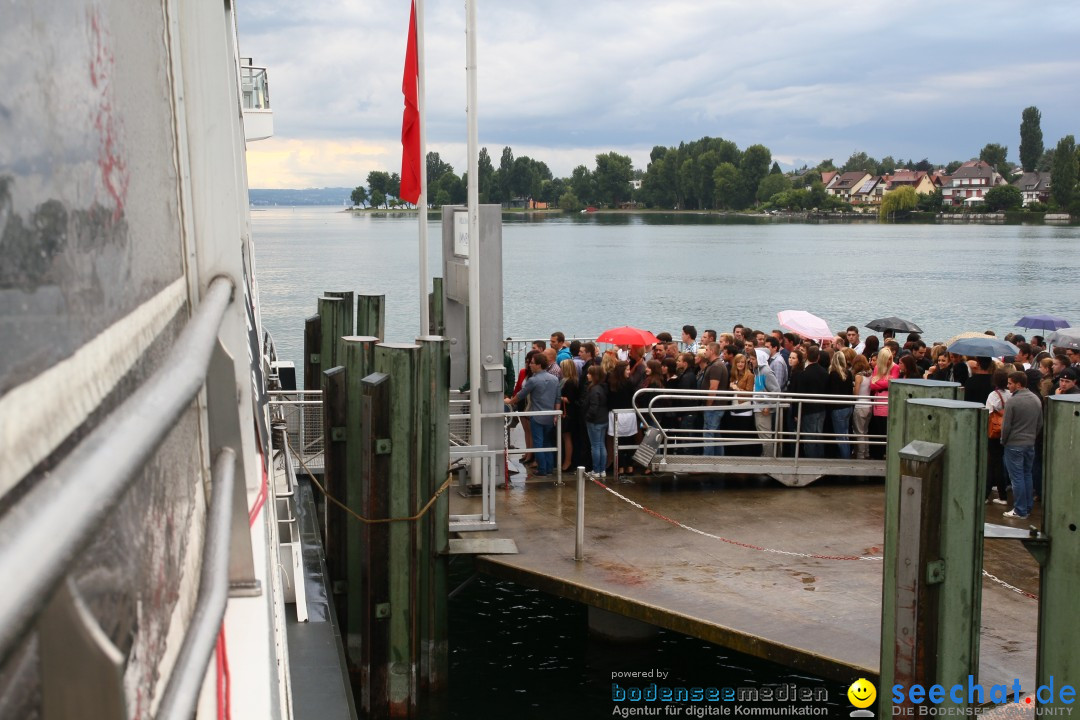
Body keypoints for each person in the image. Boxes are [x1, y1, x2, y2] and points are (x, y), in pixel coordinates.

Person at [506, 353, 560, 477]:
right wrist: (556, 415)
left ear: (539, 365)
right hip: (551, 415)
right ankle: (549, 468)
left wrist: (510, 401)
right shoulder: (554, 379)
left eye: (532, 363)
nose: (530, 365)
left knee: (538, 443)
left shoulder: (534, 380)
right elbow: (557, 399)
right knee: (548, 443)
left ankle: (542, 469)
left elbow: (521, 394)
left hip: (537, 416)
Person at [1001, 371, 1042, 519]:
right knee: (1027, 475)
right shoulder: (1036, 399)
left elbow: (1006, 426)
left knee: (1016, 477)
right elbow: (1040, 424)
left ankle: (1019, 510)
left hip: (1014, 444)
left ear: (1018, 384)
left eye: (1010, 383)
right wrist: (1032, 437)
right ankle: (1027, 507)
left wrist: (1003, 440)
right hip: (1030, 443)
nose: (1008, 386)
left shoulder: (1012, 401)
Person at [797, 345, 829, 458]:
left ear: (807, 356)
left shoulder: (804, 373)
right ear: (818, 357)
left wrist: (796, 412)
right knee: (818, 435)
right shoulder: (825, 373)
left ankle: (811, 460)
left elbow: (799, 393)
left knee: (809, 437)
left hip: (808, 409)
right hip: (821, 408)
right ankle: (820, 458)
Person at [985, 369, 1010, 505]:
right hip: (1005, 431)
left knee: (992, 463)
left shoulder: (993, 395)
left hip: (994, 432)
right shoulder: (1010, 394)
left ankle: (987, 493)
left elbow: (988, 413)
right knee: (999, 462)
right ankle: (1002, 494)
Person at [699, 342, 729, 456]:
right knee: (715, 433)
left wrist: (708, 404)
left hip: (714, 406)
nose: (705, 352)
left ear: (712, 351)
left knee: (708, 433)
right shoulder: (715, 364)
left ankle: (707, 460)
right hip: (716, 405)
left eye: (706, 349)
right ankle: (718, 458)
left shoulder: (716, 366)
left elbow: (713, 387)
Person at [827, 350, 855, 459]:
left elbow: (832, 392)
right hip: (848, 406)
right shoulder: (848, 373)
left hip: (838, 408)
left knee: (840, 437)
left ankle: (845, 459)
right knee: (845, 435)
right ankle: (846, 456)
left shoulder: (833, 374)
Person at [582, 365, 609, 478]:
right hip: (603, 419)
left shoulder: (594, 389)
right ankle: (602, 470)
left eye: (589, 374)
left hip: (595, 421)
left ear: (594, 376)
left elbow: (593, 406)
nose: (587, 375)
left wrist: (588, 417)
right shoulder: (604, 387)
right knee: (601, 445)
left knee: (595, 446)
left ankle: (596, 470)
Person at [868, 348, 894, 460]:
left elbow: (892, 383)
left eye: (890, 359)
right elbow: (872, 385)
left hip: (887, 404)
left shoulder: (895, 367)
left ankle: (884, 453)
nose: (888, 362)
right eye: (887, 359)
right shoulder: (877, 368)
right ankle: (877, 454)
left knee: (885, 430)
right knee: (878, 429)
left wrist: (878, 382)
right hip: (878, 403)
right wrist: (885, 383)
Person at [728, 352, 755, 455]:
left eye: (742, 362)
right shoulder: (733, 374)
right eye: (738, 362)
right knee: (734, 435)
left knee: (743, 435)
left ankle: (743, 456)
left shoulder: (750, 375)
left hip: (745, 409)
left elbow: (749, 394)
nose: (740, 364)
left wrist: (737, 389)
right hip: (733, 407)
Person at [851, 354, 873, 460]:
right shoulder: (870, 374)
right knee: (865, 431)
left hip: (860, 406)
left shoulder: (858, 376)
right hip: (869, 405)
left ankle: (860, 454)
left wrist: (853, 387)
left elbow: (856, 394)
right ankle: (866, 453)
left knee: (859, 431)